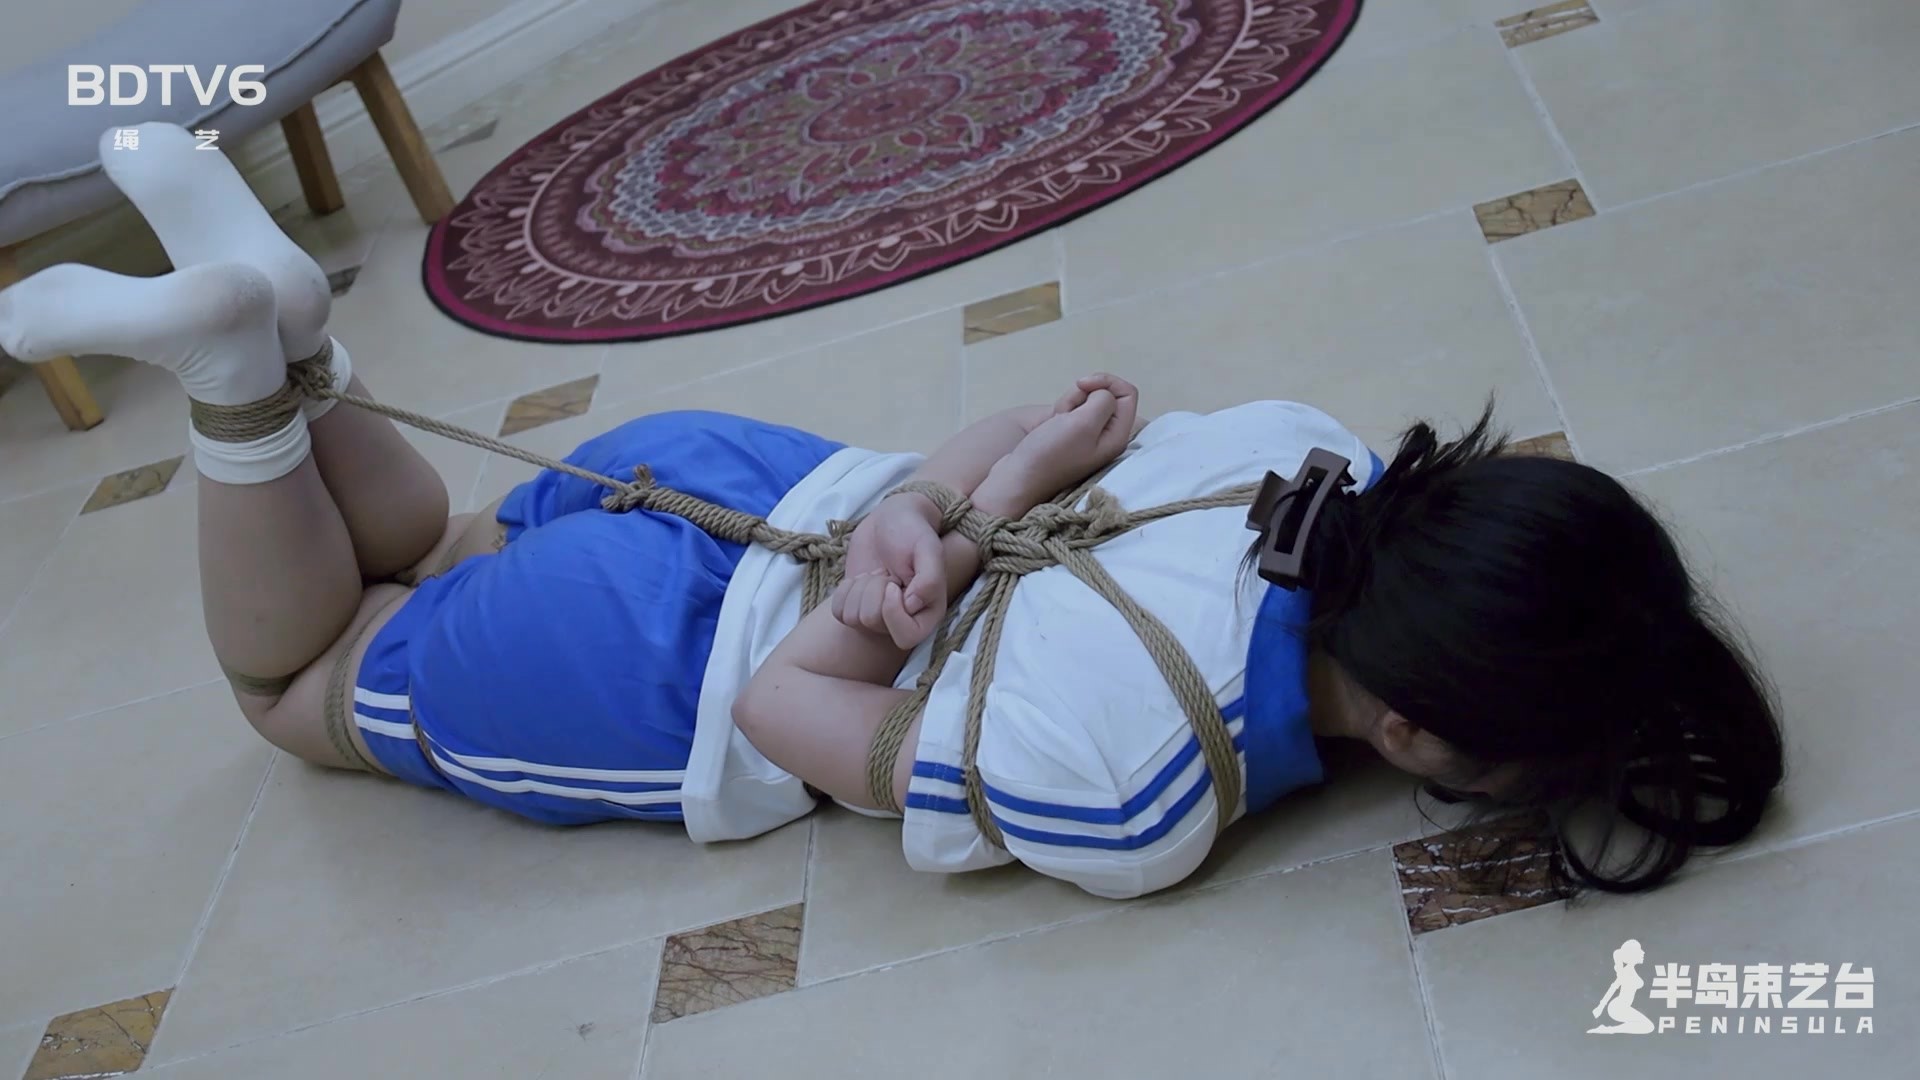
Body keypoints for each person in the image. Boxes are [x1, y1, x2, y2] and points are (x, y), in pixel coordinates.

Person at [0, 124, 1784, 900]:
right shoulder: (1144, 785)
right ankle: (237, 375)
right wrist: (948, 547)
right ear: (1415, 734)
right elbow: (789, 708)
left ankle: (286, 322)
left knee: (442, 543)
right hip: (660, 664)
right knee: (300, 690)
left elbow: (1038, 428)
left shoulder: (1296, 455)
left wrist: (964, 491)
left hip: (747, 473)